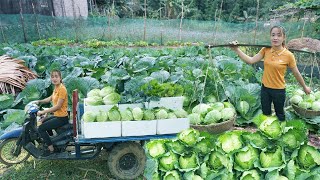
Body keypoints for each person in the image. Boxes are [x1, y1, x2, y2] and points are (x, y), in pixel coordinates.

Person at [230, 25, 311, 121]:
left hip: (279, 90)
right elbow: (251, 60)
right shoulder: (265, 50)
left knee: (280, 114)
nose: (275, 38)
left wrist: (305, 87)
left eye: (279, 35)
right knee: (266, 113)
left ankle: (280, 132)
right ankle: (266, 132)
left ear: (283, 37)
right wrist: (236, 49)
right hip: (265, 89)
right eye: (273, 35)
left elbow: (296, 73)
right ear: (270, 37)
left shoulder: (289, 55)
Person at [35, 70, 69, 156]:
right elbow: (50, 98)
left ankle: (51, 149)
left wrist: (43, 111)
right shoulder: (57, 88)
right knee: (42, 121)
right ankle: (53, 141)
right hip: (57, 115)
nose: (54, 78)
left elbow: (58, 106)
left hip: (62, 118)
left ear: (60, 78)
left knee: (41, 128)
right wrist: (39, 101)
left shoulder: (62, 89)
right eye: (52, 76)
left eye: (56, 76)